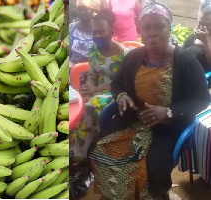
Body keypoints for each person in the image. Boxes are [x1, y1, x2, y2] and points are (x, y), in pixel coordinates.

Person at [89, 1, 210, 200]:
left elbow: (202, 98)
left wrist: (170, 111)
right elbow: (116, 84)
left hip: (165, 129)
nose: (152, 33)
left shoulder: (185, 59)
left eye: (159, 26)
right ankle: (117, 193)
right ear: (140, 30)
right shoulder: (134, 57)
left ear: (169, 27)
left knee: (147, 166)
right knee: (101, 149)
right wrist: (122, 96)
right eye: (146, 27)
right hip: (132, 121)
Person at [70, 8, 129, 168]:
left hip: (115, 93)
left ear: (111, 31)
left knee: (88, 109)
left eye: (101, 31)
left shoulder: (124, 54)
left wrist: (94, 91)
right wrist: (88, 88)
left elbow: (122, 83)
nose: (97, 36)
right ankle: (76, 149)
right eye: (94, 32)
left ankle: (83, 155)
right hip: (97, 90)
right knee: (74, 104)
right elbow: (91, 75)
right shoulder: (94, 50)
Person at [183, 6, 211, 73]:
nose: (201, 27)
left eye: (206, 24)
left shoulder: (206, 40)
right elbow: (182, 48)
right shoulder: (195, 34)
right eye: (200, 23)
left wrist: (206, 42)